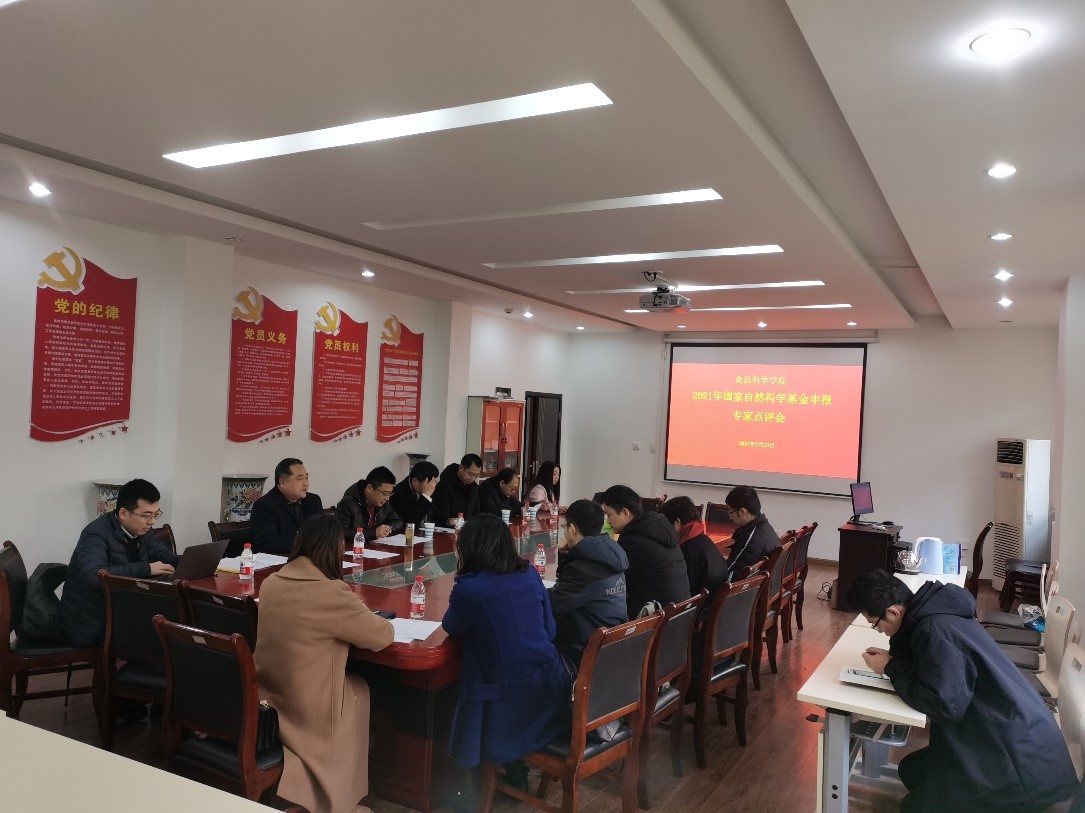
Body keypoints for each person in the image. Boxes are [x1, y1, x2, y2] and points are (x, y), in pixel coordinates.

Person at [847, 569, 1079, 813]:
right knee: (911, 771)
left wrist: (890, 667)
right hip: (1011, 736)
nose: (881, 632)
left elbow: (943, 706)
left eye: (876, 625)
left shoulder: (933, 630)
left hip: (1012, 763)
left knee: (912, 807)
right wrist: (893, 661)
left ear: (893, 612)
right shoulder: (934, 613)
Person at [254, 514, 394, 813]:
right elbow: (382, 636)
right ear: (334, 550)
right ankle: (341, 801)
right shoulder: (331, 593)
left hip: (266, 696)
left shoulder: (271, 582)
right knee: (359, 690)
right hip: (309, 707)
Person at [441, 514, 569, 791]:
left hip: (505, 704)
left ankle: (467, 777)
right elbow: (550, 630)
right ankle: (514, 768)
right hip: (548, 689)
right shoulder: (529, 573)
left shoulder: (471, 589)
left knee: (471, 668)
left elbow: (452, 626)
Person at [59, 478, 181, 648]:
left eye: (156, 514)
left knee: (174, 619)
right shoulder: (95, 534)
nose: (152, 521)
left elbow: (163, 555)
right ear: (123, 513)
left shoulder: (142, 530)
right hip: (89, 623)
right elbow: (94, 576)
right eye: (146, 515)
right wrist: (146, 568)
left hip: (120, 610)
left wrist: (192, 561)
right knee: (166, 631)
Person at [547, 499, 628, 669]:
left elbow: (553, 604)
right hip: (610, 648)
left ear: (572, 529)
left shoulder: (583, 567)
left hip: (584, 655)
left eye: (564, 527)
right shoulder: (609, 554)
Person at [600, 485, 690, 619]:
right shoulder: (656, 528)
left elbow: (613, 580)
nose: (607, 521)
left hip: (657, 618)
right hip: (679, 616)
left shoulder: (634, 540)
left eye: (609, 515)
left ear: (625, 512)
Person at [251, 458, 324, 554]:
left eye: (306, 478)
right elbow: (267, 542)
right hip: (281, 559)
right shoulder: (264, 506)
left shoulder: (313, 501)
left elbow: (323, 533)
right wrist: (305, 543)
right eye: (300, 479)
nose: (306, 483)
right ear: (283, 483)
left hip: (312, 557)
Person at [660, 496, 727, 598]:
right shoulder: (703, 539)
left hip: (700, 605)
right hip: (715, 601)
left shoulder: (686, 550)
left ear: (677, 522)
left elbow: (680, 591)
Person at [722, 485, 779, 582]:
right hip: (761, 584)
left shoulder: (750, 538)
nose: (730, 517)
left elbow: (728, 574)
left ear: (742, 512)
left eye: (731, 512)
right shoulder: (765, 527)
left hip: (744, 589)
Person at [335, 466, 406, 541]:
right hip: (354, 547)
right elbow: (341, 532)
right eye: (385, 493)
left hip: (374, 546)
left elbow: (398, 522)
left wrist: (387, 529)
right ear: (369, 488)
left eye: (389, 493)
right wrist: (373, 533)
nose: (387, 498)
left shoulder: (383, 503)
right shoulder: (348, 503)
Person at [432, 454, 483, 526]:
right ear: (461, 468)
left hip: (467, 529)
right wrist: (448, 521)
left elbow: (476, 513)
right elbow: (436, 516)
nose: (473, 479)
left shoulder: (474, 488)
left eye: (476, 476)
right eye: (471, 474)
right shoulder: (444, 485)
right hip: (446, 529)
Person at [389, 460, 440, 530]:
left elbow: (436, 515)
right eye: (429, 483)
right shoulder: (399, 494)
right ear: (415, 481)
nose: (433, 486)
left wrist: (448, 521)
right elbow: (412, 522)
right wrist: (426, 495)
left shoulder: (427, 489)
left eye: (435, 482)